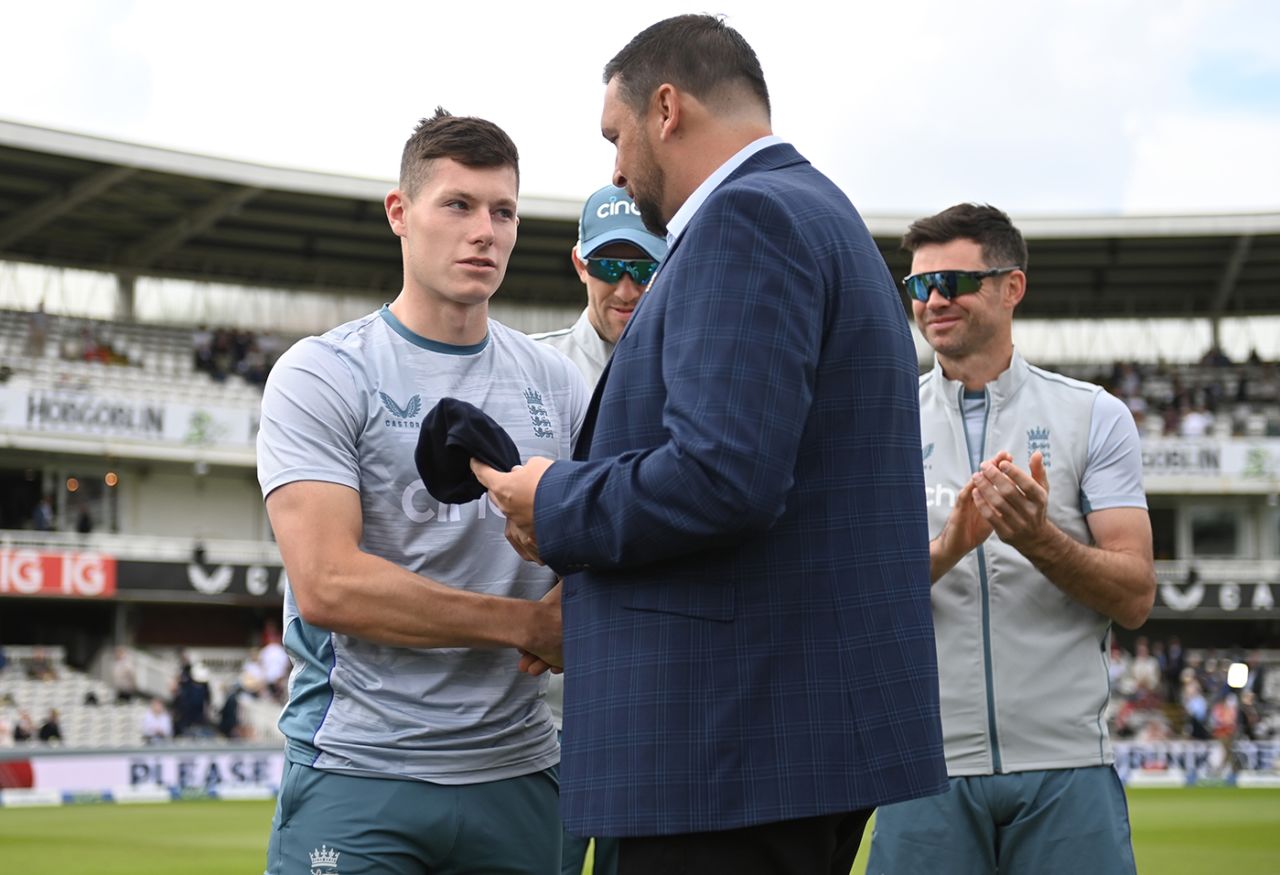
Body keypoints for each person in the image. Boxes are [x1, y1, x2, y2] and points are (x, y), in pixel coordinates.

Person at [475, 16, 947, 874]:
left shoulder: (747, 219)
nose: (614, 167)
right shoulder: (818, 211)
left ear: (666, 109)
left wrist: (552, 498)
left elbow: (723, 475)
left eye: (614, 136)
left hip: (727, 746)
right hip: (778, 743)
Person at [255, 108, 588, 875]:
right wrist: (526, 623)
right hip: (359, 769)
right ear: (400, 214)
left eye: (503, 211)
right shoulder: (323, 373)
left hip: (519, 772)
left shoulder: (556, 385)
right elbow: (330, 585)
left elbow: (590, 554)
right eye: (459, 205)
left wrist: (574, 601)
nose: (487, 231)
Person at [865, 203, 1156, 875]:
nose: (933, 299)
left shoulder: (1093, 416)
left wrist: (1039, 538)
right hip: (923, 766)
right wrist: (948, 547)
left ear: (1011, 287)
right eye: (918, 286)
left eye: (955, 282)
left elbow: (1136, 594)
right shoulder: (878, 425)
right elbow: (850, 598)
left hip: (1067, 763)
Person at [532, 183, 668, 875]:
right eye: (610, 266)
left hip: (650, 711)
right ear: (580, 262)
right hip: (539, 721)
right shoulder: (528, 373)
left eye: (643, 267)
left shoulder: (694, 379)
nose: (626, 286)